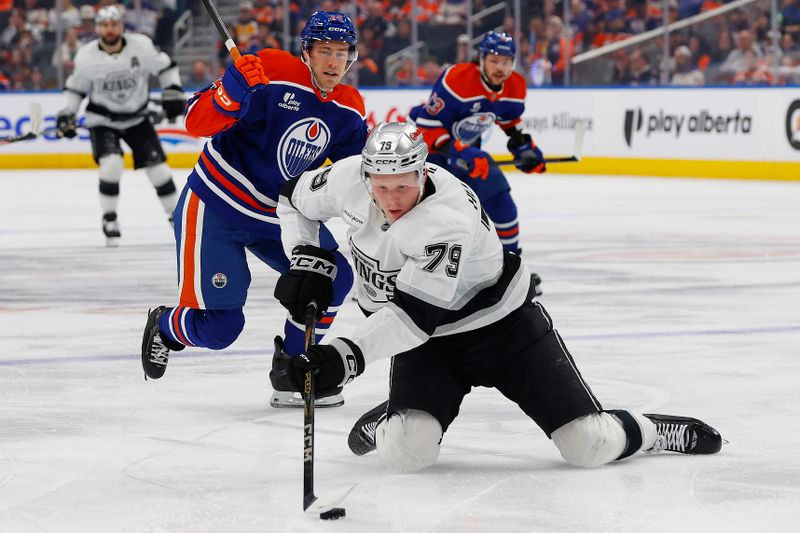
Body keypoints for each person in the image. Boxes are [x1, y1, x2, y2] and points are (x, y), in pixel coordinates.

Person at [269, 121, 723, 473]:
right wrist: (305, 254)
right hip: (429, 345)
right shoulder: (348, 179)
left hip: (504, 331)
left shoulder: (444, 219)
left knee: (588, 446)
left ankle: (649, 431)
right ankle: (399, 416)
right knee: (408, 453)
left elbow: (412, 317)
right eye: (381, 185)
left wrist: (345, 358)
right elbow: (290, 200)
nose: (391, 197)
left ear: (424, 171)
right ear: (365, 174)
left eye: (403, 185)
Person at [140, 11, 367, 409]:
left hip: (276, 217)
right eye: (324, 51)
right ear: (307, 52)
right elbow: (196, 121)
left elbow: (351, 177)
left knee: (334, 277)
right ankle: (165, 325)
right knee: (221, 328)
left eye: (342, 52)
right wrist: (230, 94)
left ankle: (293, 366)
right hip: (216, 205)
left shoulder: (349, 108)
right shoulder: (269, 70)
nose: (333, 61)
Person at [408, 31, 545, 293]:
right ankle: (394, 271)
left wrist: (523, 145)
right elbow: (426, 127)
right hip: (432, 157)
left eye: (506, 62)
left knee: (502, 205)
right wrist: (461, 151)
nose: (500, 68)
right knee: (427, 220)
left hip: (470, 158)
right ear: (480, 59)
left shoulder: (515, 86)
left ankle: (510, 269)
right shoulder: (457, 79)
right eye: (494, 60)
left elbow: (507, 119)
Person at [55, 5, 185, 246]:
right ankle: (110, 219)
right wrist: (67, 113)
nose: (110, 29)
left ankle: (177, 218)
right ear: (97, 28)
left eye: (114, 24)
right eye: (105, 25)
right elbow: (76, 88)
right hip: (103, 121)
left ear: (122, 26)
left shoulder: (142, 46)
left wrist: (174, 90)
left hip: (137, 118)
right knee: (111, 165)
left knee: (159, 170)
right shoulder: (86, 56)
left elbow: (166, 66)